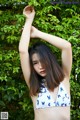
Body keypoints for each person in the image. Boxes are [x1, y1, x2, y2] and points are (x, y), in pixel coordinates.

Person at [19, 5, 72, 120]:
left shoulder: (64, 79)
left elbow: (67, 46)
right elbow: (23, 51)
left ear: (50, 60)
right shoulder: (34, 85)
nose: (40, 66)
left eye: (43, 61)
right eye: (35, 63)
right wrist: (29, 20)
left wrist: (38, 33)